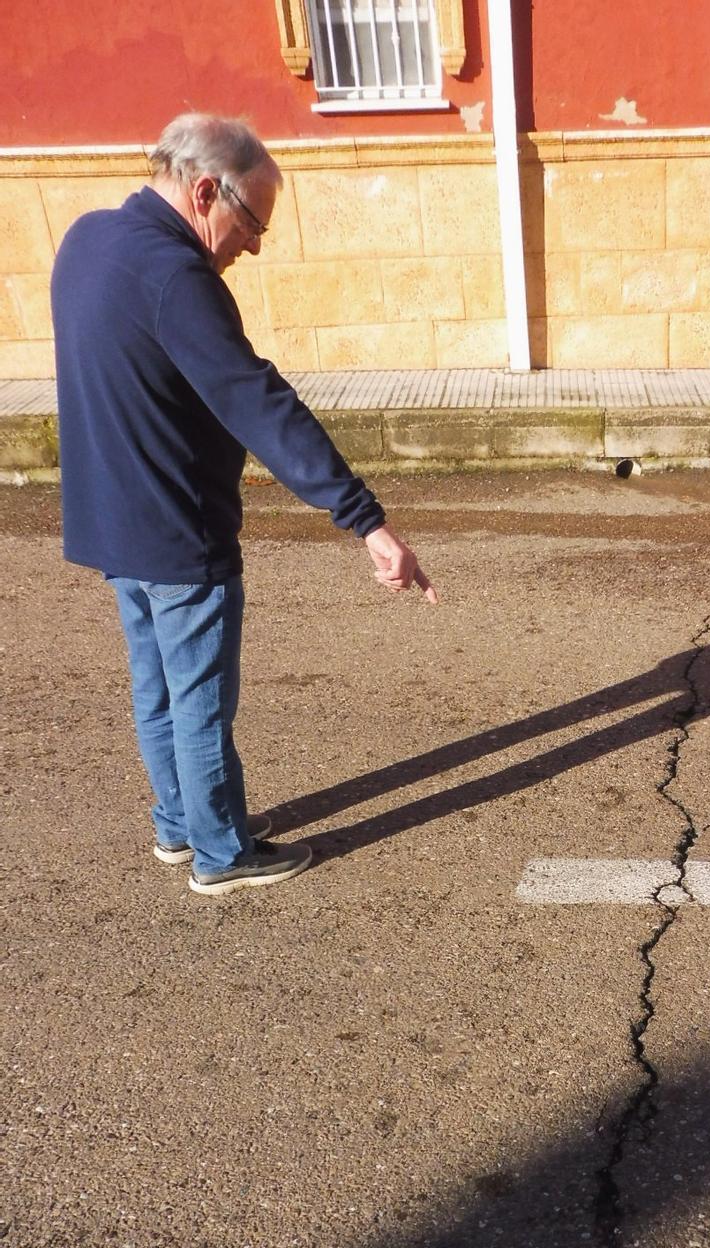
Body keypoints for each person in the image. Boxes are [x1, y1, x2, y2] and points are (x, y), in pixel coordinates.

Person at [50, 112, 437, 896]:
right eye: (251, 222)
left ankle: (180, 824)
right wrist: (366, 519)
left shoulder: (85, 240)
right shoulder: (175, 279)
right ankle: (222, 854)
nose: (253, 245)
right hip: (178, 530)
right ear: (203, 191)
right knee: (199, 703)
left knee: (155, 688)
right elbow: (261, 403)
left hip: (112, 523)